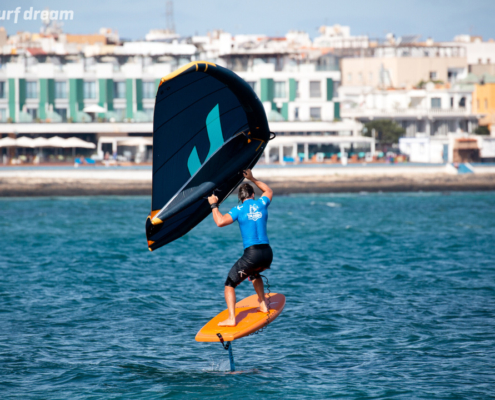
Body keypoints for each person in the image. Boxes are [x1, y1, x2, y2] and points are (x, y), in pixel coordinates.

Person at [208, 169, 274, 327]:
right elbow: (268, 190)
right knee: (254, 272)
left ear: (240, 198)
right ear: (252, 195)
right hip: (267, 254)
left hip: (252, 254)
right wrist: (252, 178)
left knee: (229, 283)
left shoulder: (238, 209)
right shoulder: (261, 203)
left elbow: (220, 221)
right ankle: (263, 304)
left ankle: (232, 319)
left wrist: (213, 205)